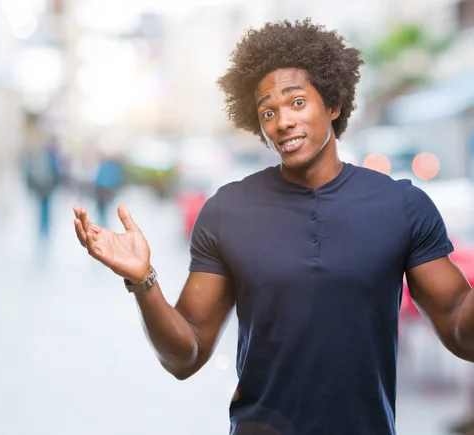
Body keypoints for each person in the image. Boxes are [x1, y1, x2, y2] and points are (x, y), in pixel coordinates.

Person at [73, 19, 474, 434]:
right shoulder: (228, 211)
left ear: (333, 105)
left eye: (297, 102)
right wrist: (144, 283)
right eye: (269, 111)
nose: (282, 121)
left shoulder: (402, 206)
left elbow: (464, 334)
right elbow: (185, 357)